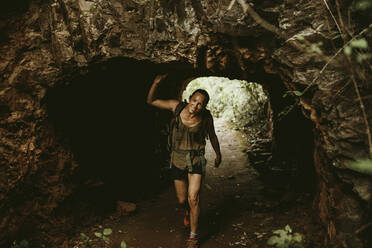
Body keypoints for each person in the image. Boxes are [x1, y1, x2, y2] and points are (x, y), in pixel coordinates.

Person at [147, 74, 222, 248]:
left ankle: (193, 237)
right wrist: (155, 82)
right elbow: (151, 101)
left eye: (200, 104)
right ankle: (187, 212)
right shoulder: (177, 107)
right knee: (182, 200)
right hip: (177, 159)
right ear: (189, 99)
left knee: (193, 198)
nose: (195, 106)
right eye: (194, 100)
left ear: (204, 107)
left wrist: (218, 154)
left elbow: (212, 136)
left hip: (195, 160)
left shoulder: (206, 117)